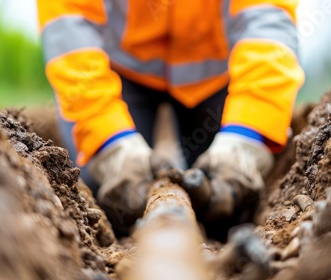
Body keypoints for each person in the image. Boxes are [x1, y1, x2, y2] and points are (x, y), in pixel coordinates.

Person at [37, 0, 305, 233]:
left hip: (215, 76)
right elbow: (69, 23)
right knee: (109, 196)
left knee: (224, 198)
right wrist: (108, 138)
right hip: (121, 70)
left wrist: (246, 135)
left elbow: (268, 23)